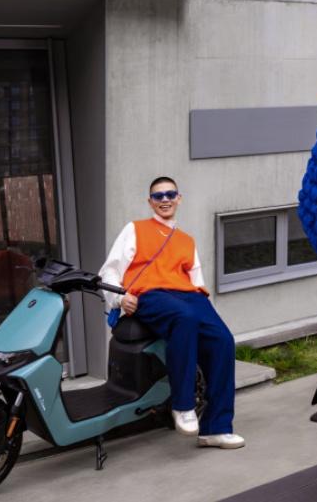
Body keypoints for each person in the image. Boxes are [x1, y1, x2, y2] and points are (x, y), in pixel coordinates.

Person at [99, 176, 244, 449]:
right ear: (150, 201)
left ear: (179, 198)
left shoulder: (187, 240)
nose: (164, 199)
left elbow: (196, 280)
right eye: (158, 196)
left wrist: (204, 310)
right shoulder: (135, 229)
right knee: (183, 318)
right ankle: (183, 405)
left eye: (170, 194)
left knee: (223, 340)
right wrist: (119, 298)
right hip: (151, 294)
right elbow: (110, 270)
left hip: (189, 295)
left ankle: (216, 428)